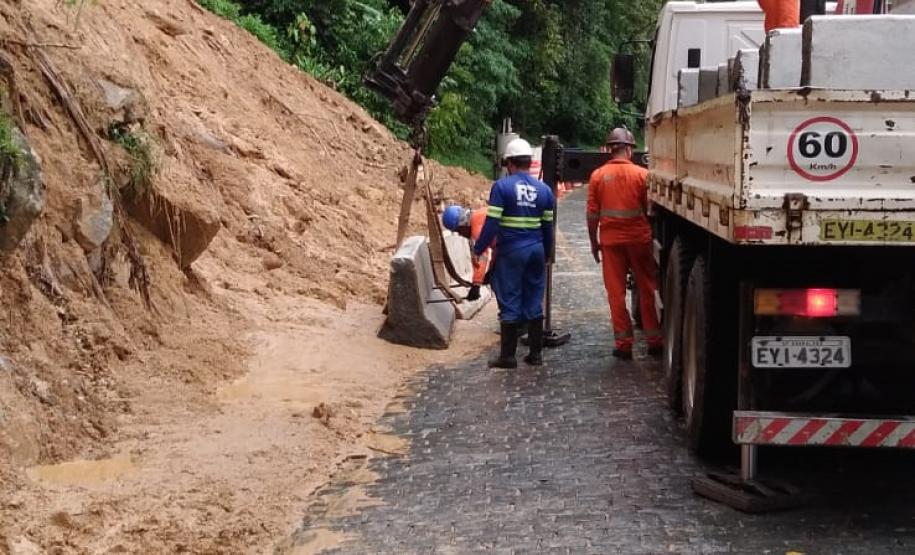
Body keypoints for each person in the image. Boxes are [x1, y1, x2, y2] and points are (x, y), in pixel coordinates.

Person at [474, 138, 555, 368]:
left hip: (511, 251)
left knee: (509, 299)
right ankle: (536, 354)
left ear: (509, 163)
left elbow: (491, 223)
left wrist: (478, 248)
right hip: (536, 250)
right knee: (534, 299)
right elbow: (548, 228)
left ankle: (508, 356)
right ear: (529, 162)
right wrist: (547, 253)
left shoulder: (502, 187)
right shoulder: (545, 190)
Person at [587, 127, 662, 360]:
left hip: (611, 243)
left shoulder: (598, 176)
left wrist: (594, 242)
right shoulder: (642, 175)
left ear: (610, 149)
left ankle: (624, 345)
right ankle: (654, 341)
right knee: (647, 288)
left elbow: (592, 215)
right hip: (639, 239)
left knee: (616, 294)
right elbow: (650, 209)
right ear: (629, 150)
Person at [442, 204, 493, 301]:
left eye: (459, 231)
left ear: (463, 224)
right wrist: (492, 269)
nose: (461, 235)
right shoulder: (480, 215)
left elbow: (481, 256)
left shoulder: (476, 225)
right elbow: (499, 248)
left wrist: (476, 284)